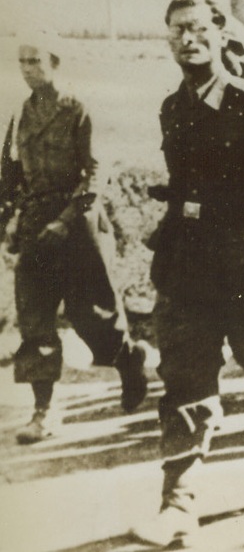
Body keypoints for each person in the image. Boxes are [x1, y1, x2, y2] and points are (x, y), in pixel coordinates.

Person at [131, 0, 244, 547]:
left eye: (196, 28)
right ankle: (179, 503)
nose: (187, 39)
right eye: (176, 32)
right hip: (188, 261)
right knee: (184, 377)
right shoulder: (173, 107)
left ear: (219, 33)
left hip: (243, 258)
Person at [0, 32, 148, 445]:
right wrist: (6, 222)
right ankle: (43, 411)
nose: (27, 69)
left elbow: (95, 174)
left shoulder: (78, 108)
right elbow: (8, 177)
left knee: (92, 316)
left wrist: (65, 221)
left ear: (55, 63)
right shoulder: (21, 114)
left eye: (35, 60)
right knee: (36, 320)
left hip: (77, 225)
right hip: (35, 227)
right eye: (22, 62)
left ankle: (127, 357)